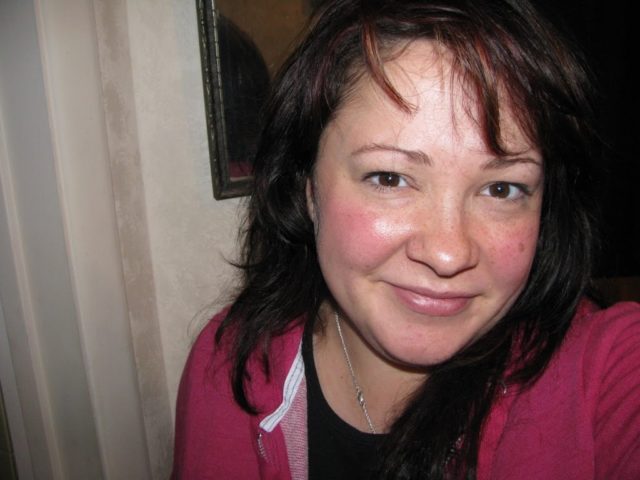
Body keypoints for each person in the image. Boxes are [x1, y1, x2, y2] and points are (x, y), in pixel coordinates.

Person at [172, 0, 640, 478]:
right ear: (307, 187)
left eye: (501, 189)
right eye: (390, 178)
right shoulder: (231, 364)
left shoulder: (606, 369)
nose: (448, 253)